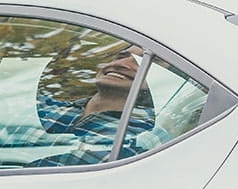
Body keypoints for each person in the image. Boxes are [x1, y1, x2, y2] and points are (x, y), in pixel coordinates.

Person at [30, 44, 165, 166]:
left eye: (144, 63)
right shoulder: (45, 108)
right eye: (121, 56)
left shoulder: (145, 136)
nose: (121, 64)